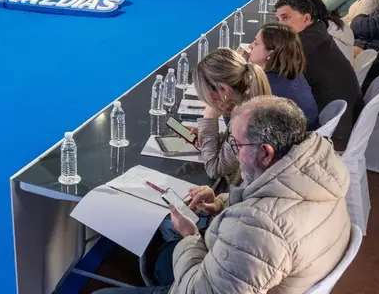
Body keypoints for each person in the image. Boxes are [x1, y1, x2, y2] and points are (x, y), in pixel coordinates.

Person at [99, 96, 351, 294]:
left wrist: (190, 236)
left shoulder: (260, 230)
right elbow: (271, 202)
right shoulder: (318, 174)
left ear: (265, 153)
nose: (234, 153)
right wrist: (221, 202)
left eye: (237, 145)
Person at [275, 0, 363, 152]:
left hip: (332, 135)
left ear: (306, 18)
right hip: (345, 124)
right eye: (278, 20)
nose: (280, 25)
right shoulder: (318, 33)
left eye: (285, 18)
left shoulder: (304, 46)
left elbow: (277, 79)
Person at [190, 48, 271, 184]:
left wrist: (209, 120)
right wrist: (211, 136)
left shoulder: (247, 121)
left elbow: (214, 169)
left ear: (224, 90)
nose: (209, 102)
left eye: (207, 96)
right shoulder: (247, 103)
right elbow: (233, 148)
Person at [246, 23, 319, 129]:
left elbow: (238, 126)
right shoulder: (293, 74)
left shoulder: (269, 88)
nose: (250, 46)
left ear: (270, 53)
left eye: (256, 43)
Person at [302, 0, 355, 64]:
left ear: (306, 16)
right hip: (346, 70)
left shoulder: (318, 35)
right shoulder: (337, 23)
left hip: (334, 72)